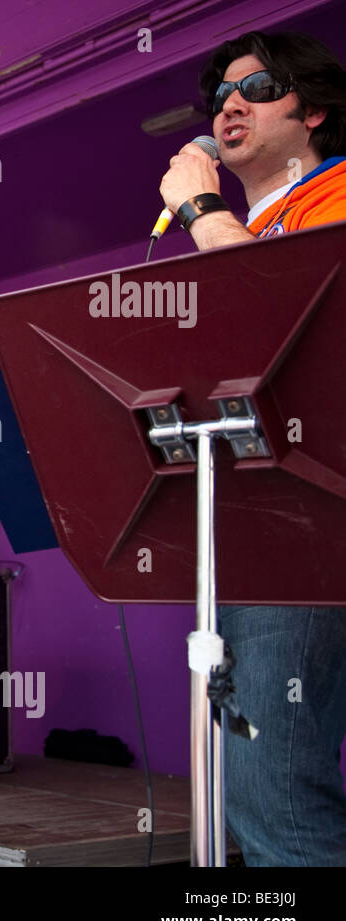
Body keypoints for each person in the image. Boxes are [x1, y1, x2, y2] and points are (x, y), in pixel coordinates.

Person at [157, 30, 346, 865]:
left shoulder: (333, 198)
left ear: (314, 111)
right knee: (241, 792)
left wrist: (203, 214)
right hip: (237, 529)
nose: (229, 107)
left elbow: (283, 327)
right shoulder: (250, 226)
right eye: (220, 97)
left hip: (306, 528)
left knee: (277, 798)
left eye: (260, 87)